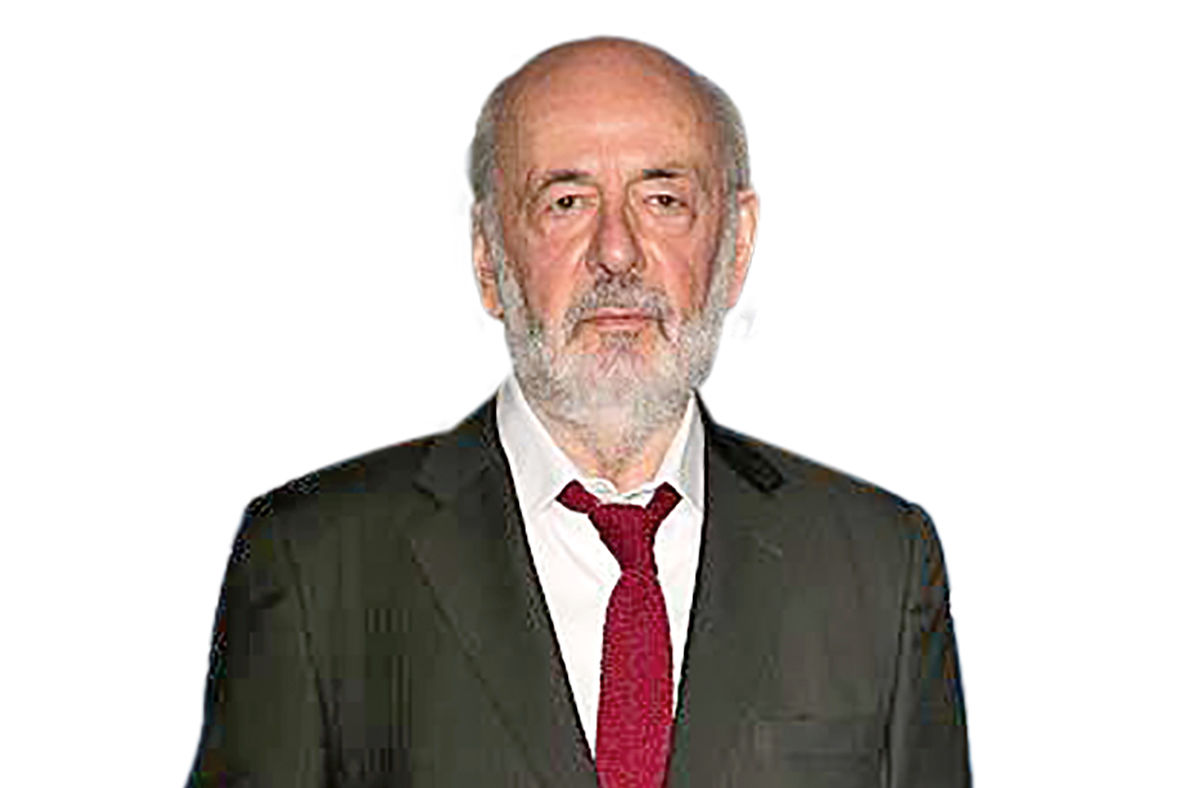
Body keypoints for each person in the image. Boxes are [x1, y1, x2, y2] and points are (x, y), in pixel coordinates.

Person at [187, 36, 971, 787]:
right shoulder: (316, 563)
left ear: (734, 249)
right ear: (488, 256)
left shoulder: (878, 566)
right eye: (565, 202)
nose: (617, 251)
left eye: (663, 200)